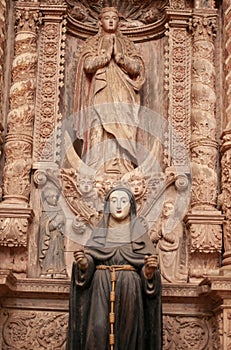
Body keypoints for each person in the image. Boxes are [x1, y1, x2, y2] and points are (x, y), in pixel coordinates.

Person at [67, 187, 162, 350]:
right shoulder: (100, 233)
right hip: (100, 285)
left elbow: (147, 268)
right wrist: (84, 264)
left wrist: (148, 272)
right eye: (114, 201)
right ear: (107, 206)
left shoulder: (139, 235)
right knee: (97, 328)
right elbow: (91, 258)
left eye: (124, 201)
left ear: (131, 206)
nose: (118, 205)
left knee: (128, 331)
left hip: (130, 288)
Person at [74, 7, 145, 175]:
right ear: (100, 22)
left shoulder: (126, 44)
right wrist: (105, 57)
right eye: (107, 18)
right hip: (100, 89)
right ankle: (97, 165)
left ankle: (122, 165)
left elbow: (137, 68)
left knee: (123, 125)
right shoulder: (93, 43)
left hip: (123, 91)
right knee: (99, 124)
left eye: (114, 18)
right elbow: (87, 65)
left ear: (119, 22)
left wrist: (121, 58)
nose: (111, 21)